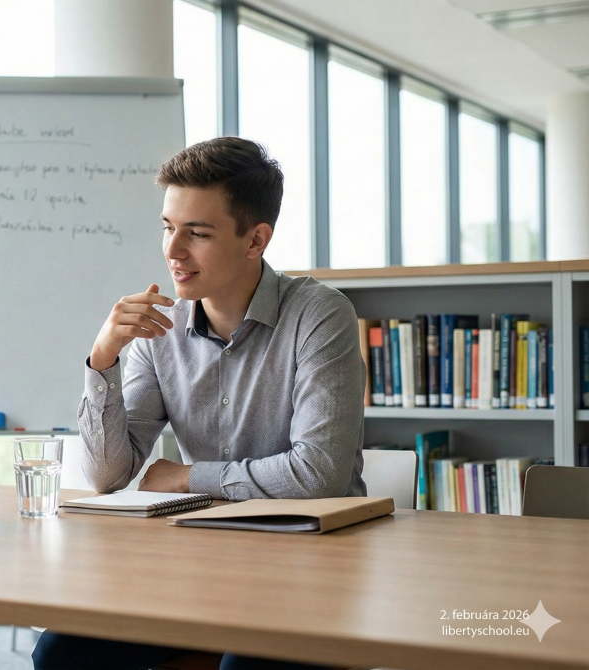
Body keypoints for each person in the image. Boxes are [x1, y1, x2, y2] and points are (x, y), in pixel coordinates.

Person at [32, 137, 366, 670]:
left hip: (310, 568)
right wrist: (103, 359)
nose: (173, 250)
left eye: (198, 233)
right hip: (202, 565)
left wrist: (187, 477)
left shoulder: (320, 315)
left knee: (248, 665)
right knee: (61, 650)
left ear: (255, 239)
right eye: (168, 227)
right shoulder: (158, 329)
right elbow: (108, 475)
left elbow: (318, 475)